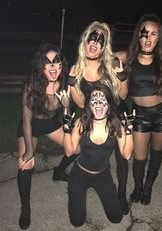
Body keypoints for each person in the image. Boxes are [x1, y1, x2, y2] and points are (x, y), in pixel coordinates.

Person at [115, 13, 162, 205]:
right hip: (140, 116)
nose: (148, 38)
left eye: (154, 34)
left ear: (158, 38)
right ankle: (138, 185)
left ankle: (148, 186)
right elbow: (103, 58)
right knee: (139, 158)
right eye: (145, 33)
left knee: (156, 154)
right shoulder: (127, 58)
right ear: (138, 35)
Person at [66, 21, 130, 214]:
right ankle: (83, 182)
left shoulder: (111, 65)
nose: (95, 42)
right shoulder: (76, 68)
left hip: (116, 112)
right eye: (92, 38)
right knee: (88, 149)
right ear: (85, 41)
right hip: (93, 115)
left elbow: (124, 95)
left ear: (103, 46)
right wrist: (71, 83)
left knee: (122, 157)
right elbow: (79, 103)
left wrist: (122, 78)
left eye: (100, 40)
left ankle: (121, 193)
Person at [16, 43, 78, 230]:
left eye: (56, 61)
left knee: (77, 147)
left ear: (61, 64)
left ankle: (59, 172)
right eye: (47, 62)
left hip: (50, 124)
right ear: (41, 65)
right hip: (31, 126)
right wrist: (28, 151)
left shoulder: (65, 83)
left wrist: (67, 105)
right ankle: (25, 206)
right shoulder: (32, 85)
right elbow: (26, 121)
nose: (52, 66)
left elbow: (68, 118)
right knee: (26, 164)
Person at [59, 84, 133, 227]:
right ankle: (74, 194)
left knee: (116, 218)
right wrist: (67, 130)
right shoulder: (82, 123)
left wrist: (129, 131)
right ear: (89, 105)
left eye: (103, 99)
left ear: (109, 105)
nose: (98, 104)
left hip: (102, 175)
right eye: (94, 100)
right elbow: (69, 152)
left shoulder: (116, 125)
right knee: (77, 222)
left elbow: (126, 154)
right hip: (79, 175)